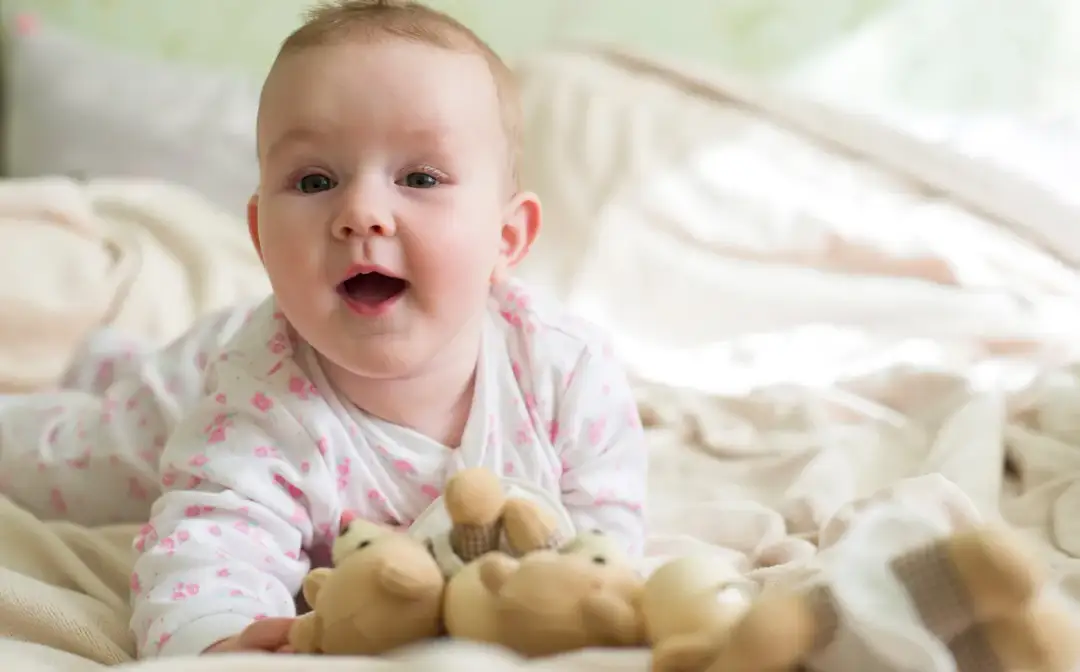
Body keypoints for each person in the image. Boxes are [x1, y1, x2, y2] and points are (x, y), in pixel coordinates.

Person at [0, 0, 647, 658]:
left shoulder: (565, 375)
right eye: (315, 180)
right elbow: (210, 541)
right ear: (260, 235)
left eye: (420, 177)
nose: (361, 212)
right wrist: (217, 637)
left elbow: (604, 549)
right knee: (63, 457)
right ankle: (103, 370)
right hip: (188, 391)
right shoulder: (261, 400)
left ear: (506, 239)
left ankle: (112, 360)